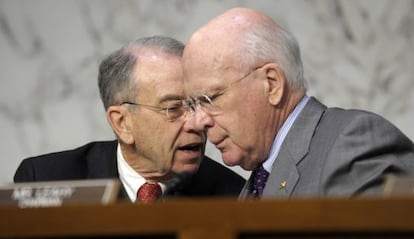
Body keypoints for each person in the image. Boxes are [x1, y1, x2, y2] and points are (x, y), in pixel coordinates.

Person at [182, 7, 414, 198]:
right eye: (194, 104)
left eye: (210, 98)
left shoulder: (354, 143)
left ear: (272, 84)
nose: (198, 121)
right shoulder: (258, 180)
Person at [14, 36, 245, 202]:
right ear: (122, 123)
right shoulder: (46, 181)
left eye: (197, 103)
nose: (197, 122)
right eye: (173, 108)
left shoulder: (234, 195)